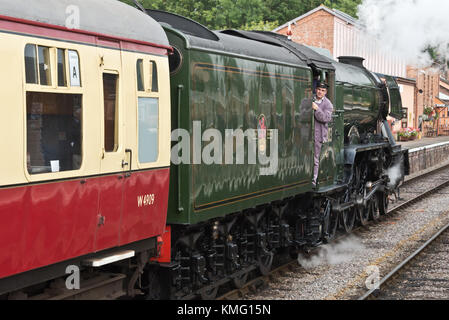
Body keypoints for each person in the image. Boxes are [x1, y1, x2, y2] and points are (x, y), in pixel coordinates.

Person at [312, 82, 333, 186]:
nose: (320, 92)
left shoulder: (328, 104)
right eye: (319, 89)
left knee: (315, 158)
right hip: (306, 133)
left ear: (326, 92)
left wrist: (316, 109)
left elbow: (326, 118)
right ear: (316, 90)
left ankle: (314, 180)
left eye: (323, 90)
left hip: (318, 134)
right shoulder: (310, 99)